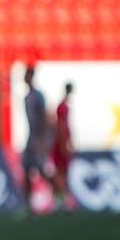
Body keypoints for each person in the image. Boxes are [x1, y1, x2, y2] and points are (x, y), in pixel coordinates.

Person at [22, 66, 53, 211]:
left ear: (31, 77)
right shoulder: (26, 97)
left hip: (38, 137)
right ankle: (28, 204)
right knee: (26, 168)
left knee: (41, 169)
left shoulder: (38, 96)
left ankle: (58, 196)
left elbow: (44, 117)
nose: (25, 78)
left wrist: (41, 140)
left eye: (27, 75)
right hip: (31, 136)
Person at [50, 82, 75, 211]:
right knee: (60, 173)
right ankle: (60, 201)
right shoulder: (63, 107)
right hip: (61, 143)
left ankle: (60, 200)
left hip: (61, 142)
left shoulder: (63, 105)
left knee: (61, 172)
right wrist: (64, 144)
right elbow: (61, 126)